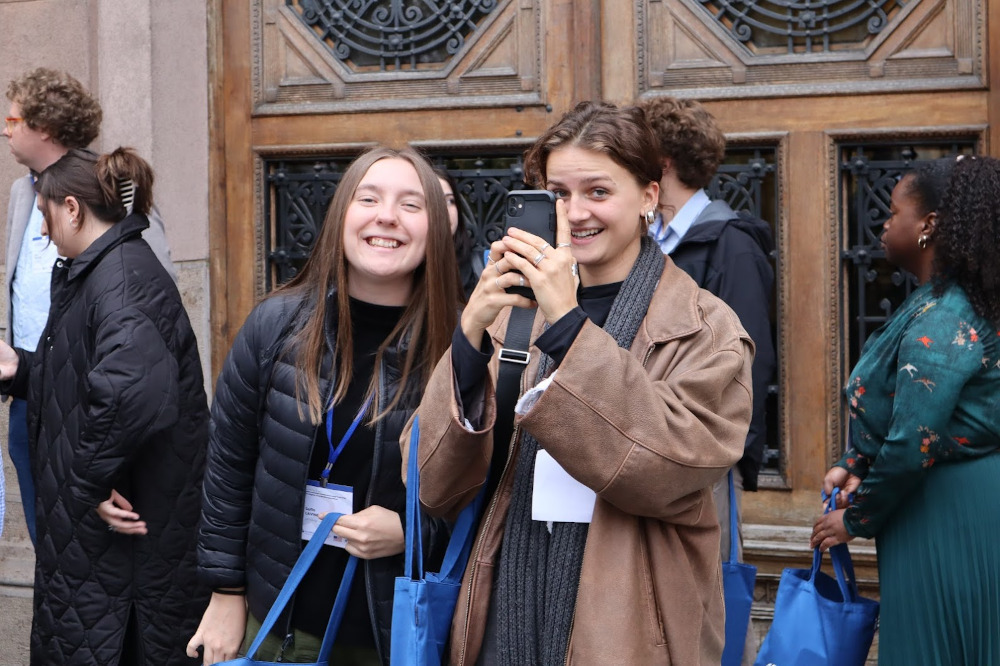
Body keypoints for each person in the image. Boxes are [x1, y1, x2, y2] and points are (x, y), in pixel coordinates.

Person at [407, 101, 754, 665]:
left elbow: (670, 467)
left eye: (598, 191)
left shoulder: (705, 326)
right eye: (558, 193)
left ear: (647, 196)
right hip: (502, 612)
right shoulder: (510, 314)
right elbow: (429, 483)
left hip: (633, 625)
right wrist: (468, 340)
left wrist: (571, 328)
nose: (575, 213)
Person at [189, 146, 460, 665]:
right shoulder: (275, 325)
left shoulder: (464, 343)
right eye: (369, 198)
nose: (386, 216)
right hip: (279, 621)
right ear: (341, 216)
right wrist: (225, 595)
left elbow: (493, 491)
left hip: (398, 631)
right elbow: (226, 468)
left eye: (410, 205)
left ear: (437, 229)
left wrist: (413, 531)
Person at [0, 147, 210, 664]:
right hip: (101, 566)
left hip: (124, 574)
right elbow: (89, 378)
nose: (43, 232)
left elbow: (131, 390)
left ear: (72, 209)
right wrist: (21, 371)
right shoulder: (102, 272)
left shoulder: (122, 279)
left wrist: (88, 481)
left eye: (45, 217)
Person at [811, 156, 1000, 665]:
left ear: (929, 226)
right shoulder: (939, 302)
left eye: (894, 212)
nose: (885, 224)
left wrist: (856, 519)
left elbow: (914, 440)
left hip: (943, 506)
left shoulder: (942, 316)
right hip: (943, 495)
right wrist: (855, 463)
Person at [2, 67, 175, 544]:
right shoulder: (22, 192)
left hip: (101, 406)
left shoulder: (114, 187)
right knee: (49, 538)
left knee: (100, 546)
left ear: (46, 128)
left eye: (13, 119)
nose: (5, 128)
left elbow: (151, 298)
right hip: (31, 392)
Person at [638, 95, 775, 663]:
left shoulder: (729, 243)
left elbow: (750, 361)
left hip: (702, 461)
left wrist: (724, 455)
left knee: (708, 602)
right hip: (643, 452)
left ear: (662, 162)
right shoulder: (645, 243)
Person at [435, 167, 482, 299]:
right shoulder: (400, 274)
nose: (444, 210)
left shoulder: (484, 265)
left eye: (450, 201)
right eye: (434, 201)